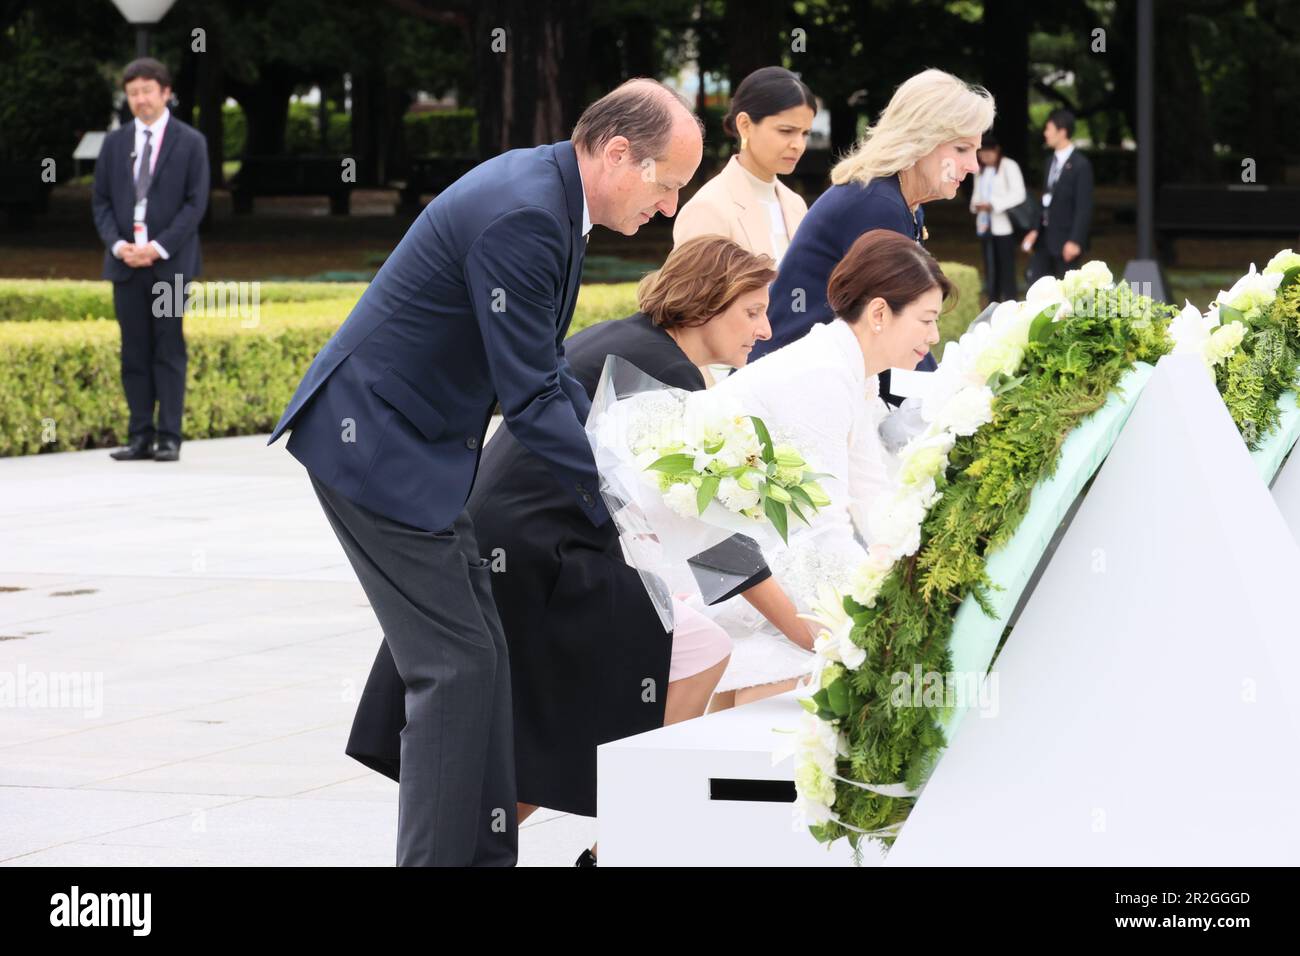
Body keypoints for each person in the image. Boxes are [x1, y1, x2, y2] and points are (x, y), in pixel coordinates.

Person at [266, 79, 704, 867]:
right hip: (375, 451)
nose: (669, 208)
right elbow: (531, 395)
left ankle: (482, 855)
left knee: (484, 658)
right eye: (667, 184)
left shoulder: (549, 196)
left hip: (415, 450)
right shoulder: (530, 213)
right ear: (615, 153)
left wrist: (618, 464)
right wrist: (619, 508)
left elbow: (549, 373)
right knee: (456, 669)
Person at [346, 237, 817, 867]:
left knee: (551, 726)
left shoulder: (628, 340)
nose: (765, 327)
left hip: (512, 544)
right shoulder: (663, 371)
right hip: (543, 560)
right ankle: (618, 837)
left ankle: (607, 839)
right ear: (706, 303)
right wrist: (797, 625)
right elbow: (710, 534)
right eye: (752, 311)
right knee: (654, 671)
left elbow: (665, 508)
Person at [706, 230, 953, 708]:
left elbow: (870, 494)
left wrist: (913, 565)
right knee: (837, 665)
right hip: (713, 562)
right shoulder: (821, 374)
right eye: (926, 320)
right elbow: (821, 529)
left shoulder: (848, 368)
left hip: (749, 554)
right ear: (879, 313)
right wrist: (880, 613)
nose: (935, 337)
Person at [753, 68, 992, 407]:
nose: (974, 165)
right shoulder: (877, 205)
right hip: (788, 397)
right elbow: (893, 332)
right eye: (962, 149)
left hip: (819, 386)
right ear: (923, 140)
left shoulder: (898, 200)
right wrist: (949, 404)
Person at [93, 58, 210, 463]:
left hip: (170, 265)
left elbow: (196, 205)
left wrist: (158, 247)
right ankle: (139, 434)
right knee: (133, 351)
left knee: (169, 348)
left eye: (147, 91)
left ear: (165, 92)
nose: (140, 100)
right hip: (125, 265)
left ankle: (169, 437)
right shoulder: (114, 144)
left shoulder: (191, 142)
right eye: (133, 93)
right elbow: (102, 202)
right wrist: (118, 245)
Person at [672, 66, 816, 265]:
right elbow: (690, 294)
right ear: (745, 125)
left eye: (805, 133)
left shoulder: (796, 205)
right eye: (786, 131)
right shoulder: (707, 208)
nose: (798, 145)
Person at [1023, 108, 1093, 282]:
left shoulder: (1081, 165)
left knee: (1068, 291)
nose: (1045, 134)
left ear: (1062, 132)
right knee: (1037, 286)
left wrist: (1075, 241)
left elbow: (1084, 206)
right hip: (1045, 237)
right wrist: (1034, 229)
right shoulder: (1049, 162)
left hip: (1066, 241)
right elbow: (1046, 199)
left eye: (1048, 129)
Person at [970, 132, 1026, 302]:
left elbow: (1019, 193)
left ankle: (1010, 300)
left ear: (997, 151)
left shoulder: (1009, 166)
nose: (985, 157)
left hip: (1004, 225)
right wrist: (977, 206)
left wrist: (994, 204)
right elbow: (976, 195)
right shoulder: (980, 170)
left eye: (989, 153)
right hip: (985, 225)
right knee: (990, 267)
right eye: (982, 154)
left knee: (1006, 267)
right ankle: (992, 301)